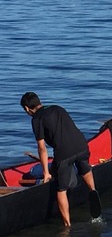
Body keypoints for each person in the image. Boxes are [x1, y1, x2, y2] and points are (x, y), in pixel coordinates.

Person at [20, 92, 101, 226]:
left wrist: (46, 173)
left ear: (27, 109)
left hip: (63, 153)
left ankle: (67, 225)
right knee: (85, 168)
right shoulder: (57, 108)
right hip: (81, 145)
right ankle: (92, 190)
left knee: (60, 189)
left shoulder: (36, 119)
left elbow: (42, 148)